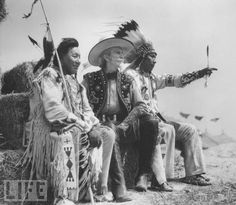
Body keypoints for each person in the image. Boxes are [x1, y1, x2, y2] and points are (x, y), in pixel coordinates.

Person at [116, 20, 216, 186]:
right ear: (142, 58)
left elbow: (175, 79)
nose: (155, 61)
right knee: (168, 129)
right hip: (141, 122)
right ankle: (161, 178)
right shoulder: (130, 75)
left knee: (190, 130)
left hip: (158, 120)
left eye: (156, 57)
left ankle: (193, 173)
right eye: (152, 56)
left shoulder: (153, 79)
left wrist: (200, 73)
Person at [22, 38, 116, 204]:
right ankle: (64, 195)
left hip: (76, 127)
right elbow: (53, 109)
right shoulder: (50, 76)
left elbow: (86, 110)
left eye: (79, 56)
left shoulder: (76, 84)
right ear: (61, 57)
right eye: (74, 56)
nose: (79, 60)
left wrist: (92, 126)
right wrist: (83, 126)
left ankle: (97, 187)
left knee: (107, 134)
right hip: (47, 129)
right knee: (73, 132)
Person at [83, 37, 172, 193]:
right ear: (106, 56)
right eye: (118, 52)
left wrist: (126, 123)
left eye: (122, 52)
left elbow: (140, 105)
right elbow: (80, 103)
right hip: (101, 125)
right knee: (110, 128)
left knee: (151, 122)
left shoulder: (127, 79)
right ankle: (116, 186)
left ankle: (143, 175)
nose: (122, 56)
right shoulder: (89, 79)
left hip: (126, 126)